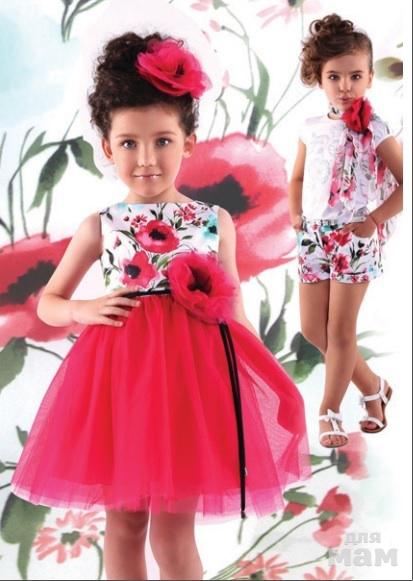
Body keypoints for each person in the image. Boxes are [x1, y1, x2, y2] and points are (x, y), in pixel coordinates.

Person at [11, 32, 310, 580]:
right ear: (107, 149)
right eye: (128, 143)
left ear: (189, 143)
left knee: (174, 532)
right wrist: (82, 309)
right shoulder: (102, 225)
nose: (146, 159)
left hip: (190, 390)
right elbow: (49, 303)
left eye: (163, 141)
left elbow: (234, 310)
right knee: (124, 525)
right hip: (118, 385)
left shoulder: (212, 222)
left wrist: (268, 378)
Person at [289, 14, 403, 449]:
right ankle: (374, 387)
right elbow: (298, 178)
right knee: (313, 330)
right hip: (314, 237)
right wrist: (295, 213)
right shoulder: (310, 128)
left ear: (370, 77)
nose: (345, 86)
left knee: (339, 332)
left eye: (355, 76)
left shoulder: (377, 129)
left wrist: (374, 219)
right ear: (319, 78)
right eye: (334, 76)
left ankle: (329, 410)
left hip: (354, 238)